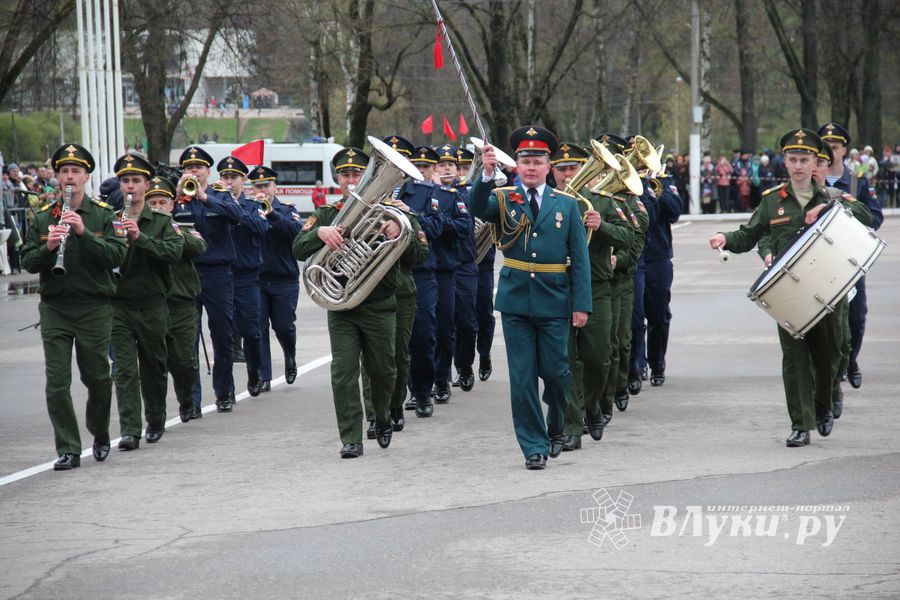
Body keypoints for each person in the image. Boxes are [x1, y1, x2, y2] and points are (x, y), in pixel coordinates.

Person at [709, 129, 872, 447]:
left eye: (805, 159)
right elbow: (749, 234)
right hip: (790, 293)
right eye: (793, 159)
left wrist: (828, 209)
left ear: (815, 162)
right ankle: (801, 424)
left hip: (828, 289)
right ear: (785, 161)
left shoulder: (831, 196)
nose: (798, 165)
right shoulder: (773, 201)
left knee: (830, 355)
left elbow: (866, 215)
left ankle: (824, 403)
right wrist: (725, 238)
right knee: (795, 360)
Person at [470, 125, 591, 470]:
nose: (531, 167)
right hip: (516, 302)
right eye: (525, 161)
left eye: (538, 161)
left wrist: (581, 305)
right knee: (522, 379)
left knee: (557, 375)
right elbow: (477, 207)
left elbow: (579, 260)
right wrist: (487, 173)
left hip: (555, 300)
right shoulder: (505, 197)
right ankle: (533, 446)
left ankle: (555, 427)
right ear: (517, 166)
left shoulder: (566, 205)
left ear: (549, 165)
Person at [292, 145, 412, 458]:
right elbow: (297, 249)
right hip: (342, 307)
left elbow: (419, 256)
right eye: (345, 174)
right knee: (343, 373)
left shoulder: (394, 212)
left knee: (384, 370)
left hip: (380, 304)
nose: (351, 179)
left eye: (357, 173)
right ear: (337, 178)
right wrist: (319, 233)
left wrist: (400, 230)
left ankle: (383, 415)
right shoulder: (328, 214)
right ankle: (350, 438)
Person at [21, 144, 127, 470]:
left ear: (86, 177)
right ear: (57, 176)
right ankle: (68, 447)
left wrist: (83, 233)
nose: (69, 177)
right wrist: (49, 246)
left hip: (94, 307)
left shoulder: (103, 214)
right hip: (55, 308)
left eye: (76, 172)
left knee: (97, 377)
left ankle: (99, 433)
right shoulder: (42, 217)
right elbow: (26, 260)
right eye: (64, 171)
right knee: (56, 383)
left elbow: (116, 256)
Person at [554, 139, 633, 451]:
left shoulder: (602, 200)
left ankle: (595, 405)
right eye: (561, 170)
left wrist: (602, 227)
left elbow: (630, 238)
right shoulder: (547, 200)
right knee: (567, 360)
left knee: (599, 357)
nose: (567, 174)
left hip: (598, 287)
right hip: (559, 287)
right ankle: (572, 426)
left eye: (573, 168)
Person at [110, 154, 184, 450]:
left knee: (153, 367)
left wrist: (140, 238)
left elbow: (173, 254)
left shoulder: (162, 221)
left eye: (136, 181)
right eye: (125, 181)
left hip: (153, 304)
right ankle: (130, 429)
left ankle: (155, 418)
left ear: (146, 184)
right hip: (119, 306)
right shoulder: (110, 218)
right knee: (124, 370)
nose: (130, 186)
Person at [172, 146, 246, 413]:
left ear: (207, 171)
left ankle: (224, 391)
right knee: (186, 340)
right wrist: (174, 199)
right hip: (186, 273)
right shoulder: (175, 198)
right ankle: (191, 400)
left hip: (218, 274)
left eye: (199, 168)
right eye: (189, 168)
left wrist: (204, 197)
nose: (194, 172)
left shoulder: (221, 195)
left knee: (223, 336)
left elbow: (238, 217)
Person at [816, 122, 883, 413]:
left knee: (855, 318)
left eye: (835, 147)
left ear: (844, 149)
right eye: (825, 147)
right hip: (820, 261)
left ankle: (850, 358)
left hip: (850, 258)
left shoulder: (857, 182)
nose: (830, 152)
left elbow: (875, 218)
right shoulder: (811, 180)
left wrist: (849, 209)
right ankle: (833, 370)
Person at [145, 176, 208, 423]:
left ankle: (187, 398)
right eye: (153, 202)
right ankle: (156, 416)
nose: (158, 207)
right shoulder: (139, 230)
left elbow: (199, 247)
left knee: (185, 362)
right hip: (152, 304)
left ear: (171, 205)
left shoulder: (182, 228)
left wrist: (172, 233)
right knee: (154, 364)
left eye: (163, 202)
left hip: (181, 305)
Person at [218, 155, 270, 398]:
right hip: (222, 275)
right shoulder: (214, 203)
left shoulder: (252, 206)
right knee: (224, 334)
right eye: (225, 177)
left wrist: (236, 210)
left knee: (251, 331)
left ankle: (254, 372)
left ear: (243, 180)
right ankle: (225, 390)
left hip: (247, 276)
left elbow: (262, 229)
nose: (229, 182)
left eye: (233, 177)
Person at [251, 165, 302, 391]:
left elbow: (296, 231)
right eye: (258, 186)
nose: (263, 190)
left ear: (275, 187)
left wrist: (271, 213)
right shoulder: (248, 209)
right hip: (257, 279)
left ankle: (290, 356)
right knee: (258, 328)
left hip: (284, 279)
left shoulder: (287, 209)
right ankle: (265, 376)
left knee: (284, 327)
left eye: (266, 185)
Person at [456, 146, 496, 382]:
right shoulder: (450, 192)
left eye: (463, 167)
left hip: (483, 259)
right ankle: (465, 364)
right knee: (464, 317)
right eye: (457, 167)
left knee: (484, 311)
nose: (462, 172)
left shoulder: (484, 187)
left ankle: (485, 353)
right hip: (463, 260)